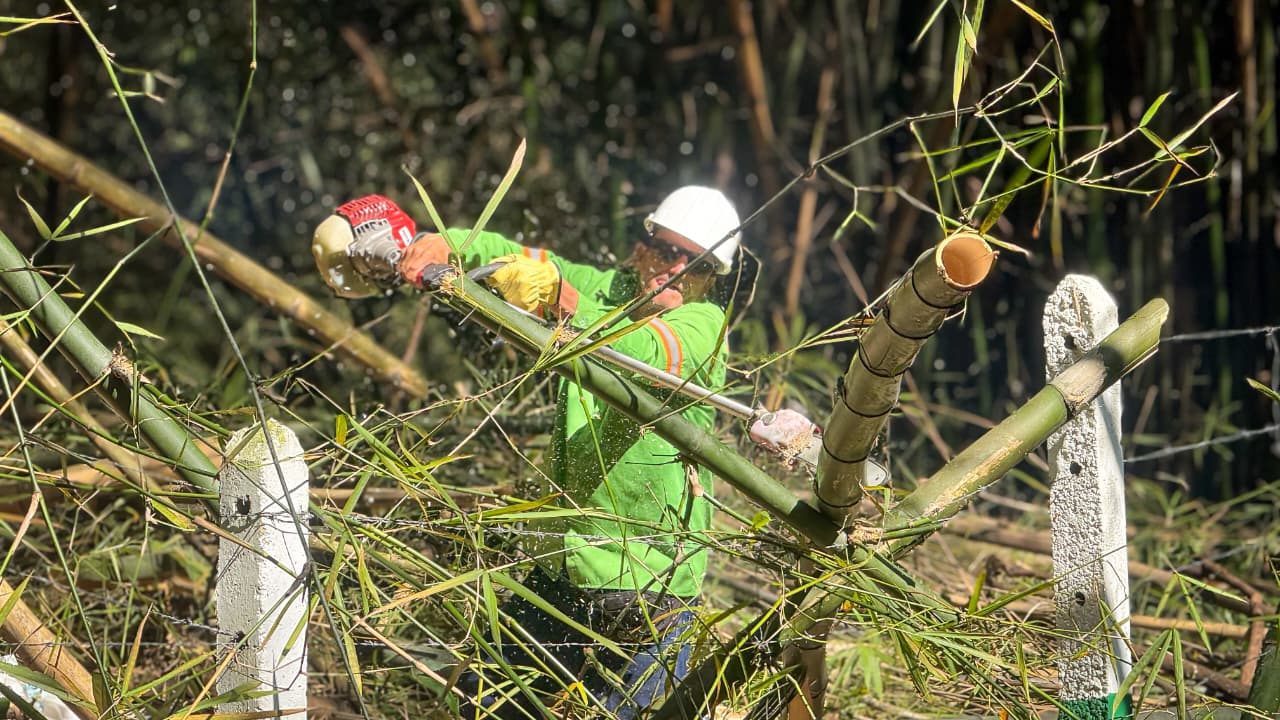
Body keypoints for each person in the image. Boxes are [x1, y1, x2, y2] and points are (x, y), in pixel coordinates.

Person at [315, 186, 743, 718]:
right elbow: (512, 254)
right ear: (642, 246)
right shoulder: (610, 289)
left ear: (711, 277)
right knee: (480, 703)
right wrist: (438, 244)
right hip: (567, 567)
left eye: (694, 264)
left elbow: (643, 350)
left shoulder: (703, 327)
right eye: (664, 251)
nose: (674, 271)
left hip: (652, 586)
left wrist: (560, 298)